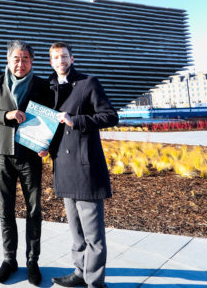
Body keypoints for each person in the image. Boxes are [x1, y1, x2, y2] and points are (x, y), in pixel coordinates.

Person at [43, 42, 118, 288]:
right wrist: (44, 146)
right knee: (75, 229)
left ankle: (95, 282)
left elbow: (110, 116)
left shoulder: (88, 83)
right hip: (63, 166)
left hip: (85, 166)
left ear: (72, 58)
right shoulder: (49, 86)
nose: (60, 61)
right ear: (51, 61)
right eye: (55, 57)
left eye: (64, 56)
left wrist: (76, 120)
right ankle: (79, 271)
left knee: (93, 233)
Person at [0, 40, 52, 286]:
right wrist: (5, 115)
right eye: (16, 59)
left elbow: (52, 117)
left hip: (31, 156)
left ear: (32, 61)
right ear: (9, 60)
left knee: (34, 210)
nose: (21, 63)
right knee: (5, 210)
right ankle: (9, 260)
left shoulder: (43, 85)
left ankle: (33, 261)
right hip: (3, 155)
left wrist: (48, 144)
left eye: (26, 59)